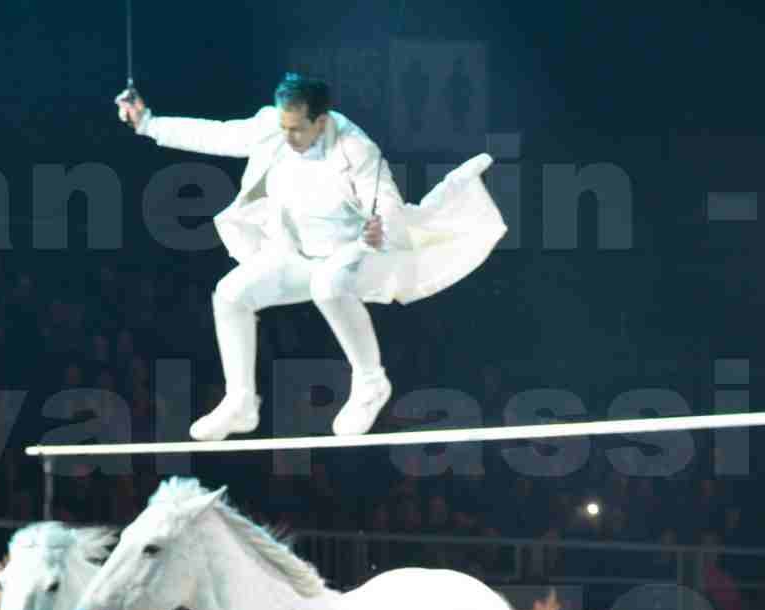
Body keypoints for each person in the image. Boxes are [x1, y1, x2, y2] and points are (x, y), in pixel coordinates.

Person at [116, 73, 504, 440]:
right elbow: (218, 135)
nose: (288, 136)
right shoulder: (276, 129)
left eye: (297, 128)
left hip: (358, 255)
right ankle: (241, 402)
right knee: (231, 293)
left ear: (322, 120)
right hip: (299, 254)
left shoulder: (357, 149)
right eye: (284, 126)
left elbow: (388, 207)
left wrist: (380, 229)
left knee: (328, 285)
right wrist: (148, 123)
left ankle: (371, 380)